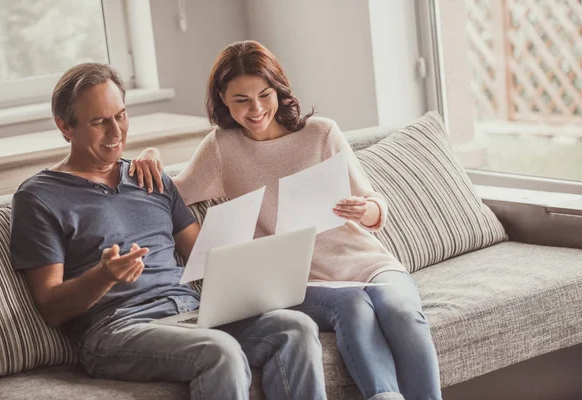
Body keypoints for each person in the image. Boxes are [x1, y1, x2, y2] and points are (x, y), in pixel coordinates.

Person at [132, 41, 443, 400]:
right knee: (354, 306)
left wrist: (367, 210)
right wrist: (149, 154)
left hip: (366, 262)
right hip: (297, 280)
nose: (256, 109)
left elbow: (375, 203)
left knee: (402, 312)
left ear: (278, 89)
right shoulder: (222, 148)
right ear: (223, 99)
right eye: (241, 100)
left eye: (264, 95)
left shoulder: (321, 134)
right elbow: (171, 193)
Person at [9, 62, 327, 400]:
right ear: (65, 126)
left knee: (296, 327)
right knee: (220, 351)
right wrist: (105, 275)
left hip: (189, 313)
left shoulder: (151, 178)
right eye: (99, 122)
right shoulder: (38, 197)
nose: (116, 134)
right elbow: (50, 306)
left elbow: (207, 258)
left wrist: (266, 258)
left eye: (121, 116)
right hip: (116, 328)